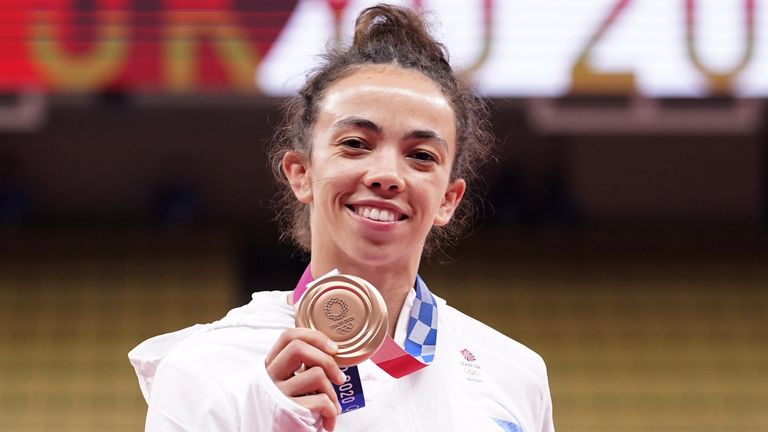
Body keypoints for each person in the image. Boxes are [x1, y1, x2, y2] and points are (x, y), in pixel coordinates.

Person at [129, 4, 554, 431]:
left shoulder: (514, 376)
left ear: (448, 198)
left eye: (421, 155)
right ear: (302, 173)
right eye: (355, 144)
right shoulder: (204, 370)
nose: (387, 175)